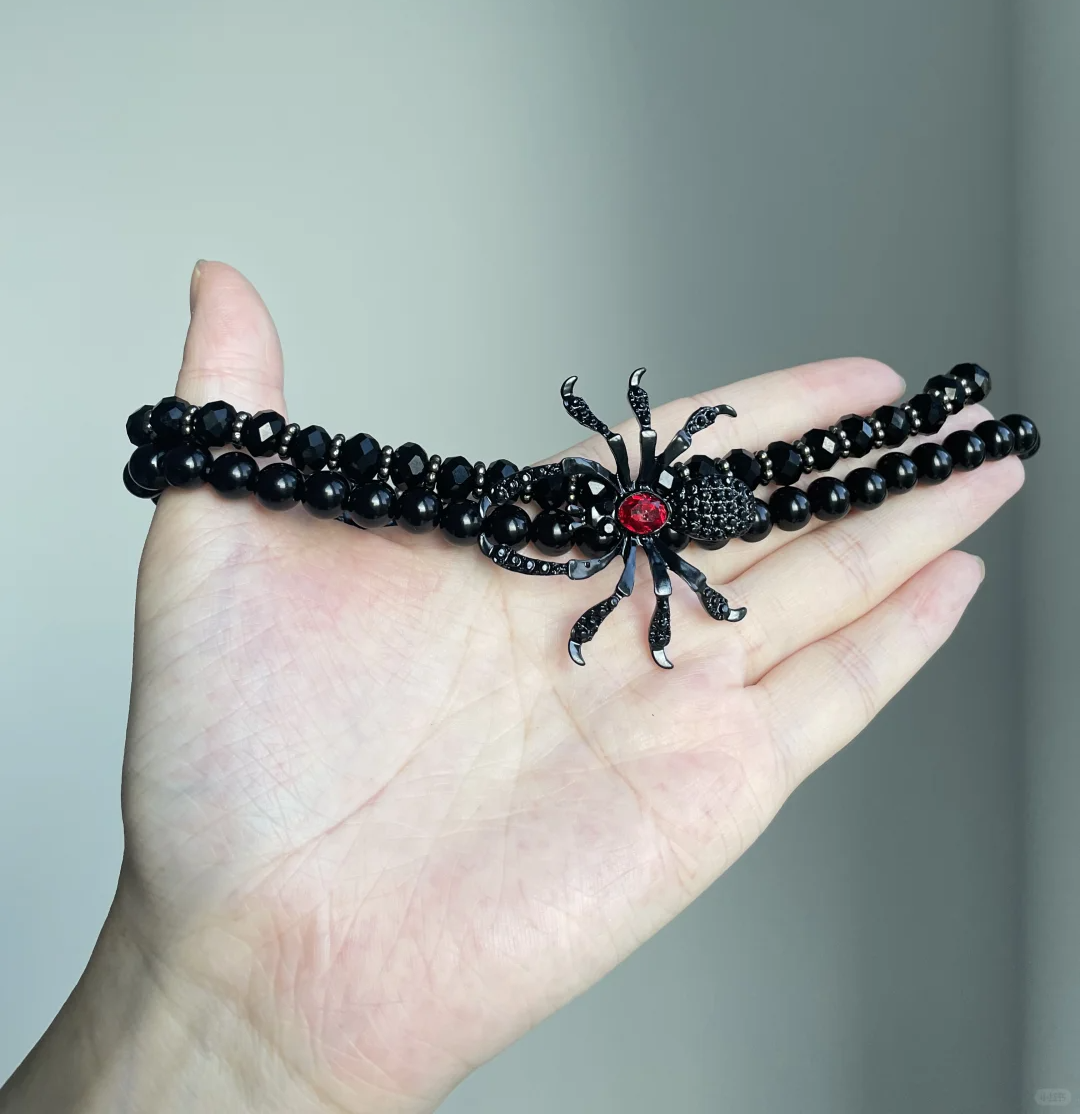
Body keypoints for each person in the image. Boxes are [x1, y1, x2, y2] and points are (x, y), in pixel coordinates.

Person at [0, 261, 1022, 1114]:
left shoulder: (643, 534)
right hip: (652, 515)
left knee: (850, 479)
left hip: (679, 516)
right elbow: (603, 548)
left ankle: (942, 431)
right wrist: (205, 1014)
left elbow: (633, 566)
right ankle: (939, 428)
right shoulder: (612, 523)